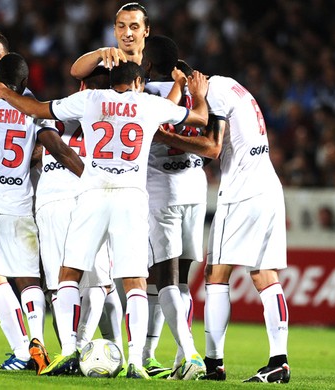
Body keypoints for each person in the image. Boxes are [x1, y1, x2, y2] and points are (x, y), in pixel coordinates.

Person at [0, 60, 209, 379]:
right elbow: (200, 118)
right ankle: (135, 361)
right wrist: (194, 93)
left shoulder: (91, 100)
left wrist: (5, 94)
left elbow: (36, 109)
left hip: (93, 194)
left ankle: (67, 351)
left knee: (69, 274)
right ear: (136, 83)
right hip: (130, 198)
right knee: (134, 282)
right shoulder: (148, 103)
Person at [154, 62, 291, 383]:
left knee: (216, 274)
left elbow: (213, 148)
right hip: (268, 186)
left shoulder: (211, 92)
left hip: (241, 192)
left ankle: (214, 362)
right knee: (264, 275)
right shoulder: (232, 86)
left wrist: (166, 136)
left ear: (187, 81)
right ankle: (279, 361)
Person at [0, 53, 83, 373]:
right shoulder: (32, 109)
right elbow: (59, 149)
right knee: (28, 280)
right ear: (24, 82)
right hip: (17, 205)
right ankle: (37, 342)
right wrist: (91, 179)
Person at [32, 66, 124, 356]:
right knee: (99, 281)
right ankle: (90, 346)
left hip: (53, 201)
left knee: (61, 286)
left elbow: (53, 146)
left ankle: (70, 351)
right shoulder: (114, 120)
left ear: (82, 86)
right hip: (91, 200)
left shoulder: (56, 111)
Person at [139, 36, 207, 380]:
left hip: (161, 190)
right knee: (183, 280)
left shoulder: (144, 94)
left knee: (164, 277)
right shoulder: (195, 92)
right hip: (195, 186)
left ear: (147, 65)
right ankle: (183, 355)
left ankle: (191, 354)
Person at [70, 2, 149, 79]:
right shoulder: (107, 64)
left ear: (146, 31)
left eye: (134, 27)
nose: (127, 34)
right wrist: (99, 53)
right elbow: (75, 72)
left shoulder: (156, 64)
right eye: (121, 26)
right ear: (114, 30)